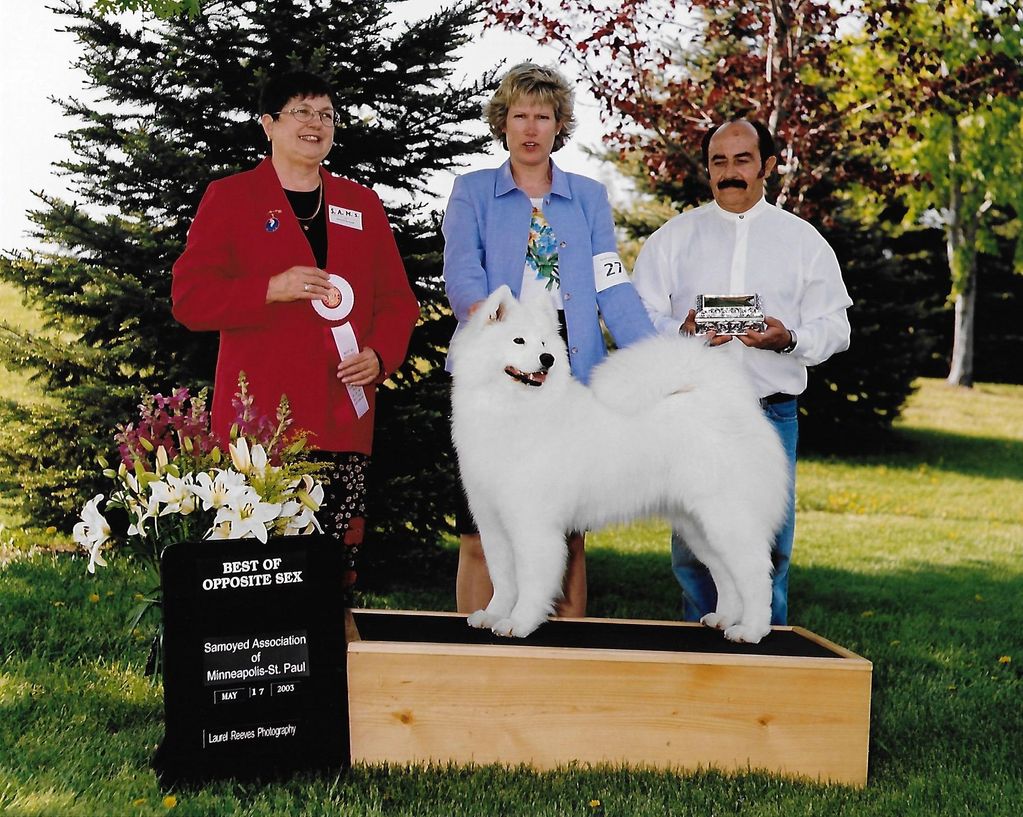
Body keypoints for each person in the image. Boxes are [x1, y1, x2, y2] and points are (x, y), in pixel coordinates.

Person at [172, 70, 419, 583]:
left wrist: (381, 354)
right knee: (252, 575)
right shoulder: (231, 197)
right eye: (301, 111)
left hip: (342, 416)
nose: (316, 123)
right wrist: (269, 288)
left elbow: (399, 301)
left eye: (326, 114)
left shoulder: (362, 204)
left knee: (331, 574)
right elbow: (189, 298)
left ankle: (325, 665)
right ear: (268, 124)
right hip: (258, 425)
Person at [442, 62, 655, 617]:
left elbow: (611, 280)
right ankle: (478, 648)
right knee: (479, 528)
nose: (531, 128)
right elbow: (463, 271)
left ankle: (565, 653)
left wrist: (654, 359)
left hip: (567, 363)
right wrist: (491, 321)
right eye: (520, 116)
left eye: (543, 116)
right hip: (500, 356)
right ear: (503, 123)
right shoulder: (472, 192)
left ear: (560, 125)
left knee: (565, 525)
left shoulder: (587, 196)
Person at [631, 118, 852, 626]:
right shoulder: (673, 238)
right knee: (693, 549)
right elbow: (635, 318)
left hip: (768, 415)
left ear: (768, 166)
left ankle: (763, 673)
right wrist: (682, 331)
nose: (730, 172)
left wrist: (788, 338)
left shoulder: (803, 242)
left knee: (768, 548)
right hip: (692, 416)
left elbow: (835, 328)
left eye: (743, 160)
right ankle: (700, 664)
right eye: (719, 162)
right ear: (708, 169)